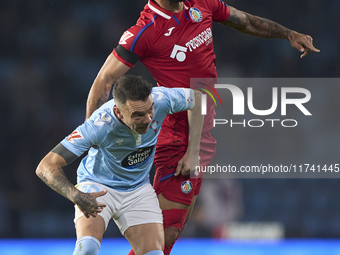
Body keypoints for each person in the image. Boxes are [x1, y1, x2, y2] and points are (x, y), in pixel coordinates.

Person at [85, 0, 320, 254]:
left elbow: (244, 20)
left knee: (171, 232)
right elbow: (104, 80)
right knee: (165, 232)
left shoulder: (200, 3)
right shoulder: (145, 31)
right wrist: (92, 140)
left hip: (201, 129)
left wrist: (288, 34)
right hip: (177, 133)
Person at [36, 75, 203, 255]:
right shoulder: (99, 125)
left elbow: (198, 98)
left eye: (150, 111)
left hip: (137, 189)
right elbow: (45, 166)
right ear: (118, 112)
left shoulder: (161, 99)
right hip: (98, 186)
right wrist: (76, 195)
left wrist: (193, 152)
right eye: (137, 115)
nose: (147, 119)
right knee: (88, 249)